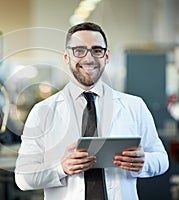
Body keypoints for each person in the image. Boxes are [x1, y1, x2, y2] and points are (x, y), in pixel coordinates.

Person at [14, 22, 169, 200]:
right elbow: (23, 178)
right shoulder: (42, 112)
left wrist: (144, 162)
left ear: (107, 56)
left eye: (97, 50)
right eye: (79, 51)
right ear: (66, 57)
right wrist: (60, 168)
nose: (89, 59)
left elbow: (162, 160)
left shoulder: (134, 106)